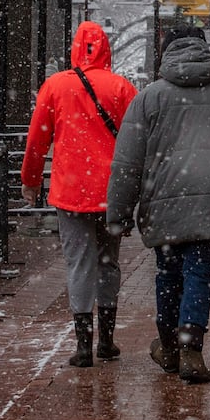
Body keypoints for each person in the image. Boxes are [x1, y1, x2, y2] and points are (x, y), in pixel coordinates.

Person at [107, 24, 210, 384]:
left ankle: (170, 346)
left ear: (165, 51)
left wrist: (119, 212)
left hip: (163, 198)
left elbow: (128, 161)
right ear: (206, 50)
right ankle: (191, 349)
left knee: (168, 272)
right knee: (200, 272)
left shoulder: (149, 97)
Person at [20, 21, 138, 367]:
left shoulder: (55, 86)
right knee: (108, 261)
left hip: (70, 190)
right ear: (106, 49)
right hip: (111, 192)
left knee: (78, 263)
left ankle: (83, 345)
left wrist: (31, 180)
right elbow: (135, 142)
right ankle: (108, 340)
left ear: (75, 48)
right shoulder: (121, 88)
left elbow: (37, 139)